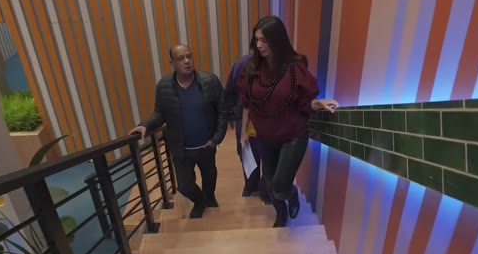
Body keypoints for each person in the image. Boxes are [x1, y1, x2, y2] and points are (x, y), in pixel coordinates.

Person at [239, 16, 338, 227]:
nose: (259, 45)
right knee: (269, 183)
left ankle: (291, 194)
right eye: (256, 40)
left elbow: (304, 103)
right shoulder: (253, 69)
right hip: (264, 136)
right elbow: (247, 104)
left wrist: (317, 104)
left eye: (264, 40)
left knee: (279, 184)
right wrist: (243, 131)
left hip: (292, 136)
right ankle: (281, 214)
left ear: (277, 40)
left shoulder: (295, 69)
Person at [129, 44, 228, 219]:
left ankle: (209, 197)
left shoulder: (210, 81)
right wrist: (146, 124)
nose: (187, 61)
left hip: (206, 145)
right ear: (172, 63)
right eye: (181, 58)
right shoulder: (164, 86)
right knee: (184, 185)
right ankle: (200, 201)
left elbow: (222, 110)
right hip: (181, 149)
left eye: (189, 56)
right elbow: (160, 113)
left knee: (210, 176)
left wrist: (216, 139)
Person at [224, 53, 270, 203]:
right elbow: (229, 93)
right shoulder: (242, 64)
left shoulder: (279, 63)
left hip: (271, 123)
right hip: (246, 121)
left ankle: (266, 191)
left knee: (270, 159)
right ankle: (251, 187)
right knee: (248, 156)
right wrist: (233, 117)